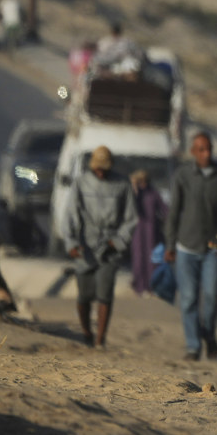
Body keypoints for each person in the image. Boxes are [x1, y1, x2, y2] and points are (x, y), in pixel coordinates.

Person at [165, 131, 217, 361]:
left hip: (213, 248)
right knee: (188, 299)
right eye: (202, 150)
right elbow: (174, 211)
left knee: (213, 294)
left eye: (209, 149)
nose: (206, 154)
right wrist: (170, 244)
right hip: (186, 246)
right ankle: (193, 346)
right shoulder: (183, 175)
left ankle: (209, 333)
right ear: (193, 152)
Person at [64, 146, 137, 347]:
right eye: (97, 168)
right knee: (84, 295)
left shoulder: (122, 184)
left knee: (105, 294)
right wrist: (71, 242)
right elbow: (70, 214)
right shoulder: (81, 183)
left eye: (104, 168)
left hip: (110, 245)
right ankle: (87, 331)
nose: (100, 172)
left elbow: (131, 219)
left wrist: (118, 240)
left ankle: (100, 339)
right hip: (86, 243)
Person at [129, 169, 167, 297]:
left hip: (152, 231)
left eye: (145, 181)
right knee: (139, 259)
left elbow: (164, 209)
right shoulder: (134, 194)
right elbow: (131, 207)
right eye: (140, 181)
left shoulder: (153, 193)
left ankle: (152, 286)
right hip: (138, 231)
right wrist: (134, 188)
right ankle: (139, 286)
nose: (143, 184)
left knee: (152, 260)